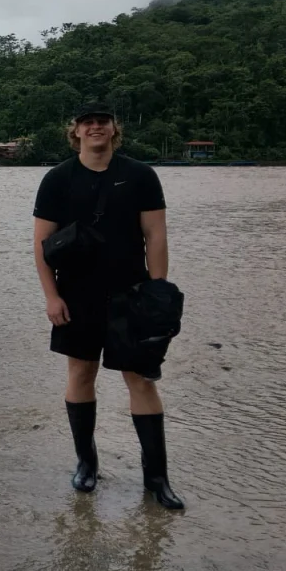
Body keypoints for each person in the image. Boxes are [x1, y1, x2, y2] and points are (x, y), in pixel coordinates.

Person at [32, 101, 184, 510]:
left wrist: (158, 292)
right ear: (76, 131)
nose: (95, 127)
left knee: (141, 380)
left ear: (115, 129)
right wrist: (51, 296)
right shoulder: (57, 179)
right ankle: (87, 463)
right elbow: (42, 245)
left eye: (102, 121)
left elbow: (156, 235)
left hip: (131, 293)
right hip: (77, 294)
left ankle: (157, 478)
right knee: (81, 373)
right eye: (87, 122)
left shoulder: (140, 176)